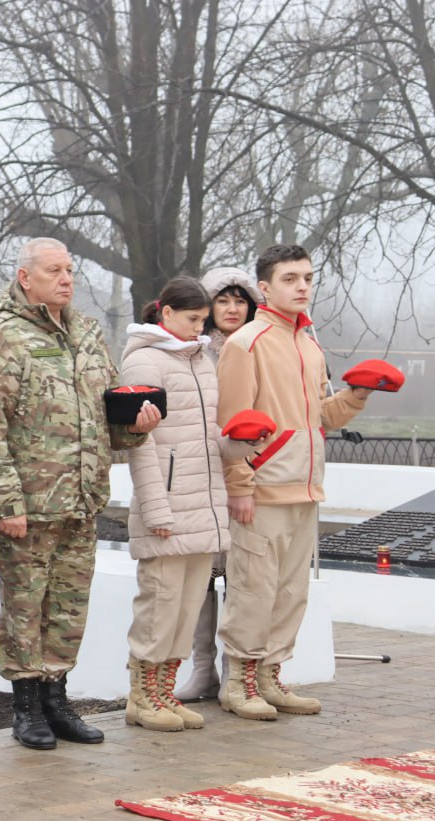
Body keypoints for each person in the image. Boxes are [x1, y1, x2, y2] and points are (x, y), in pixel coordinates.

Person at [0, 237, 159, 750]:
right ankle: (26, 707)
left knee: (69, 609)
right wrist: (6, 503)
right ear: (25, 277)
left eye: (69, 270)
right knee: (25, 607)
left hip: (81, 501)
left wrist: (135, 426)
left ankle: (56, 701)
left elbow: (109, 418)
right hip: (30, 507)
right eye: (54, 270)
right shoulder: (1, 339)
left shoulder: (87, 334)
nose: (66, 279)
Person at [215, 244, 372, 720]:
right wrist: (240, 485)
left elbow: (318, 418)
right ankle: (238, 684)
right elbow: (231, 424)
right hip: (262, 489)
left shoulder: (309, 343)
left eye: (307, 277)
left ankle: (270, 676)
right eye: (290, 278)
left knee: (290, 592)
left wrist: (355, 396)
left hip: (304, 487)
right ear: (264, 288)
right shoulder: (246, 343)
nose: (302, 286)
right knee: (253, 589)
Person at [119, 277, 230, 732]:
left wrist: (241, 444)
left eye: (203, 320)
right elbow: (139, 443)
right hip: (165, 506)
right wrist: (156, 509)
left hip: (204, 504)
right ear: (165, 313)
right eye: (191, 319)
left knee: (186, 609)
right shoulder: (143, 360)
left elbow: (208, 435)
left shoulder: (202, 359)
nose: (198, 328)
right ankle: (142, 697)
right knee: (160, 606)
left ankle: (165, 691)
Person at [175, 266, 260, 703]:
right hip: (203, 474)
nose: (231, 309)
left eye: (239, 301)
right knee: (203, 576)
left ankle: (236, 671)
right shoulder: (195, 352)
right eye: (223, 300)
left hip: (252, 472)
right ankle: (202, 668)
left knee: (244, 577)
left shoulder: (259, 347)